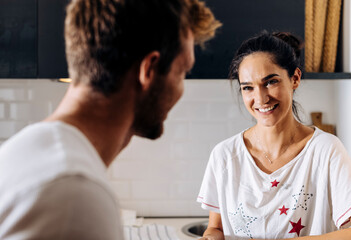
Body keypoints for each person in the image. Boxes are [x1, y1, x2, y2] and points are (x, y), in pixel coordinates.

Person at [0, 0, 221, 239]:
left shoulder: (26, 149)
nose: (181, 89)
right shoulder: (76, 196)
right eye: (182, 72)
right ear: (148, 70)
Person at [197, 31, 351, 240]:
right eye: (248, 88)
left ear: (295, 78)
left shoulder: (325, 151)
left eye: (270, 82)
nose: (261, 98)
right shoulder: (225, 155)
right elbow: (215, 228)